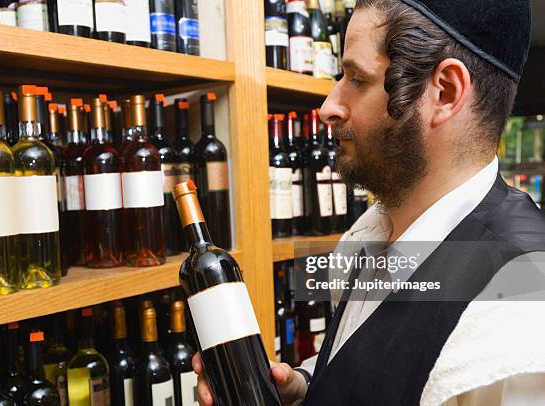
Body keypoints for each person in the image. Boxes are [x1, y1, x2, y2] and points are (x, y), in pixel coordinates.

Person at [194, 0, 545, 405]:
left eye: (356, 79)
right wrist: (305, 389)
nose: (327, 107)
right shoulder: (369, 231)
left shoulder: (519, 314)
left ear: (445, 92)